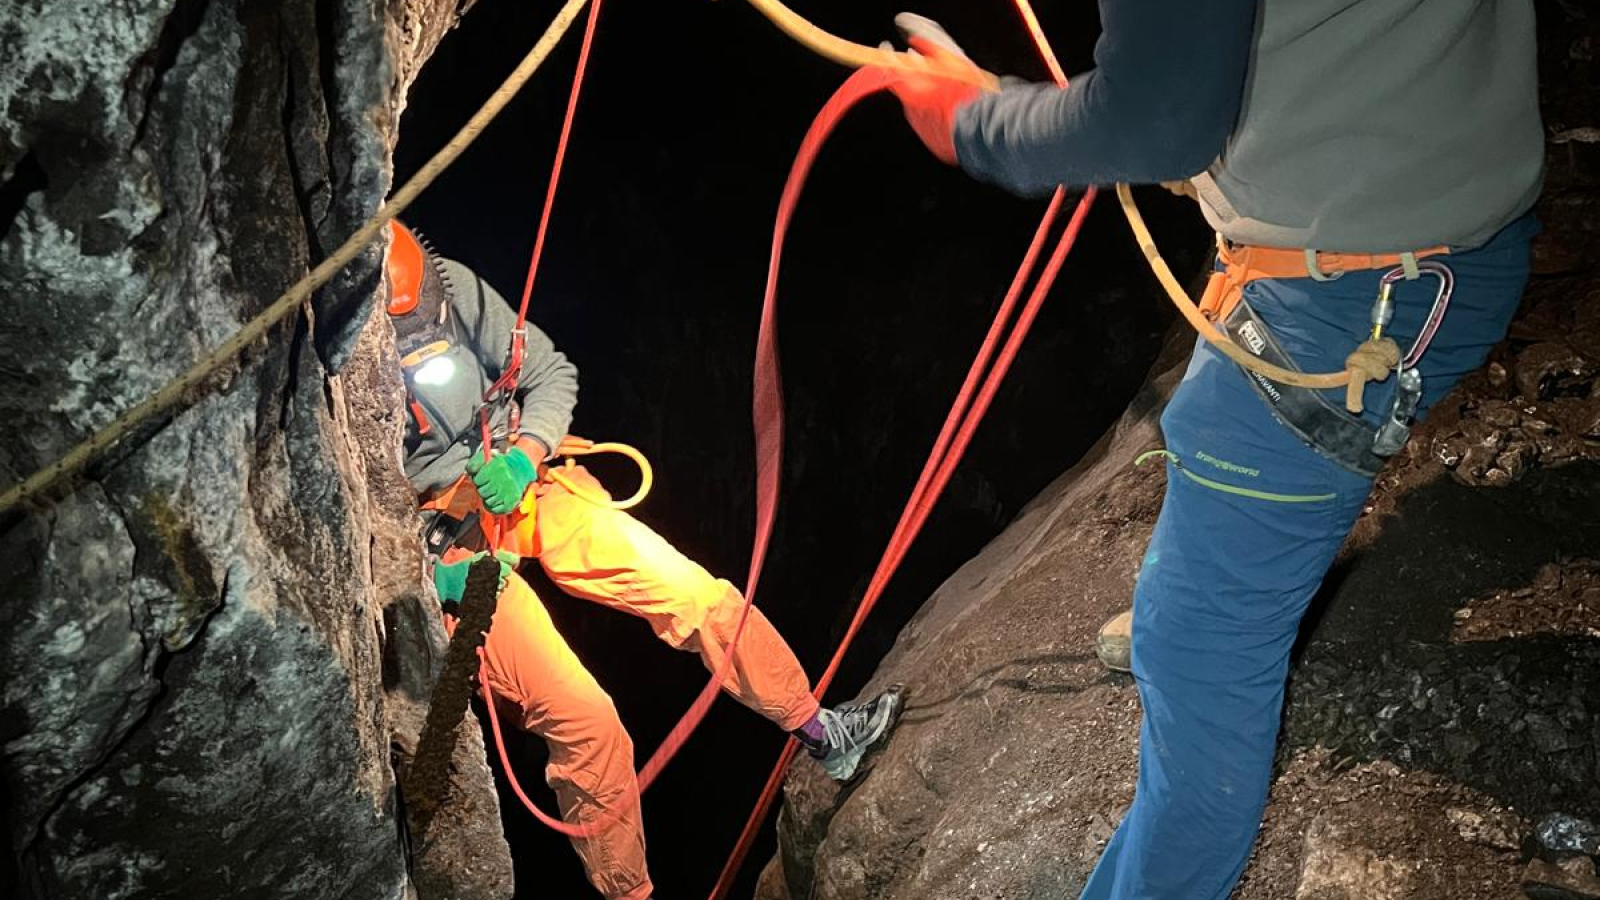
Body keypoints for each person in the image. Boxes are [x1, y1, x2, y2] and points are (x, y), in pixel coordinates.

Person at [872, 4, 1541, 898]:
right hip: (1434, 218)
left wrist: (973, 121)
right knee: (1206, 514)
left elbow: (1157, 119)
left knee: (1200, 647)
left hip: (1362, 292)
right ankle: (1200, 593)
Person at [383, 220, 902, 900]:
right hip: (448, 548)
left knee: (693, 593)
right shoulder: (344, 366)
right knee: (586, 723)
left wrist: (525, 453)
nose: (424, 340)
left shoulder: (447, 289)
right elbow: (357, 529)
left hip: (518, 482)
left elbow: (548, 372)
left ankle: (822, 731)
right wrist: (433, 578)